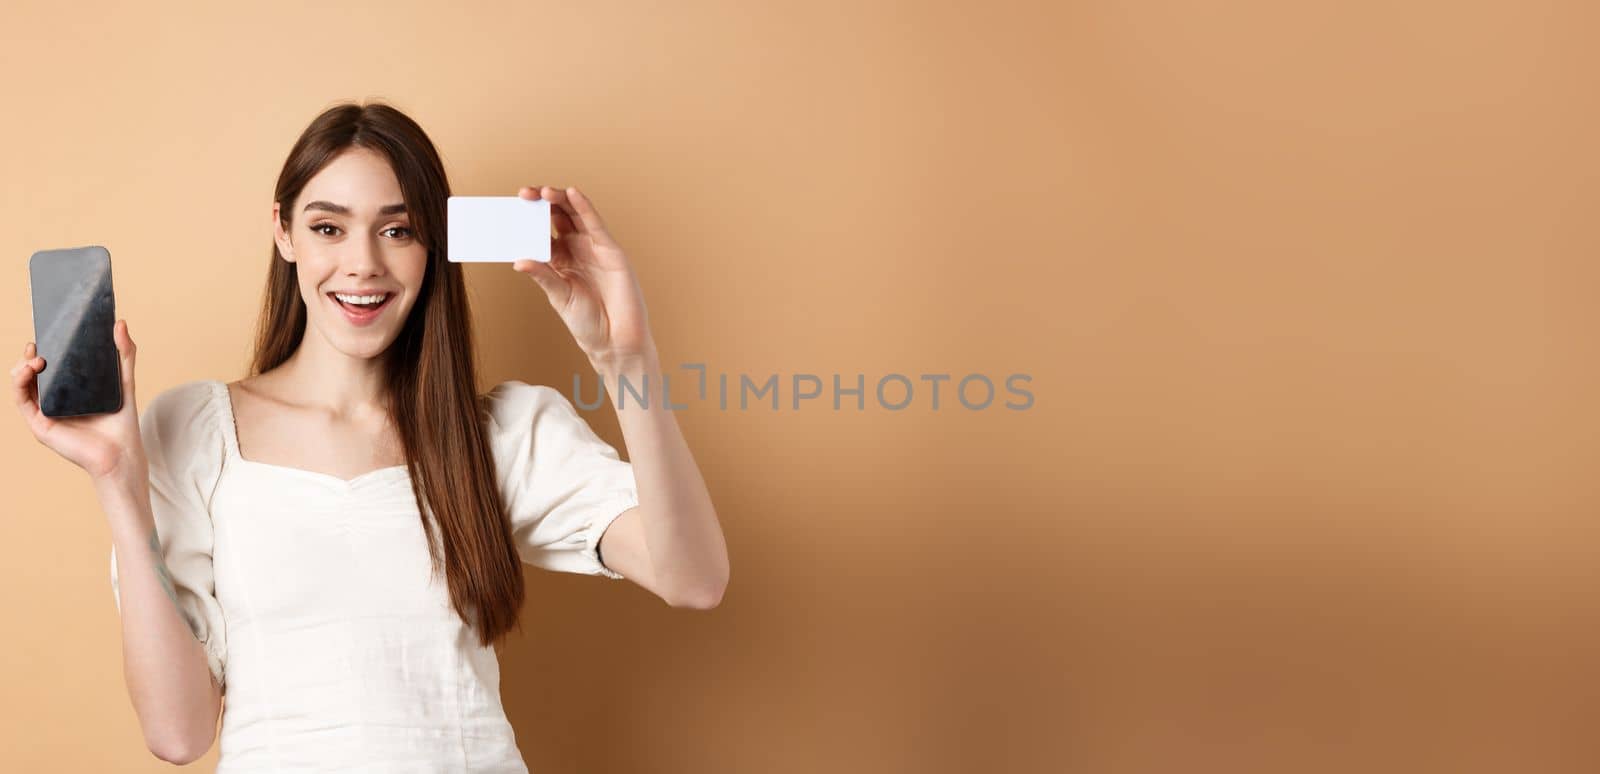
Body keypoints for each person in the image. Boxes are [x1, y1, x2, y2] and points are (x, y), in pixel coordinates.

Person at [9, 100, 729, 772]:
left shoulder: (501, 434)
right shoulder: (193, 431)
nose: (363, 264)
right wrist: (118, 485)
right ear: (283, 231)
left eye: (398, 229)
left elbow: (692, 579)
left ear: (432, 246)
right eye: (329, 227)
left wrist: (625, 361)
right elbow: (179, 734)